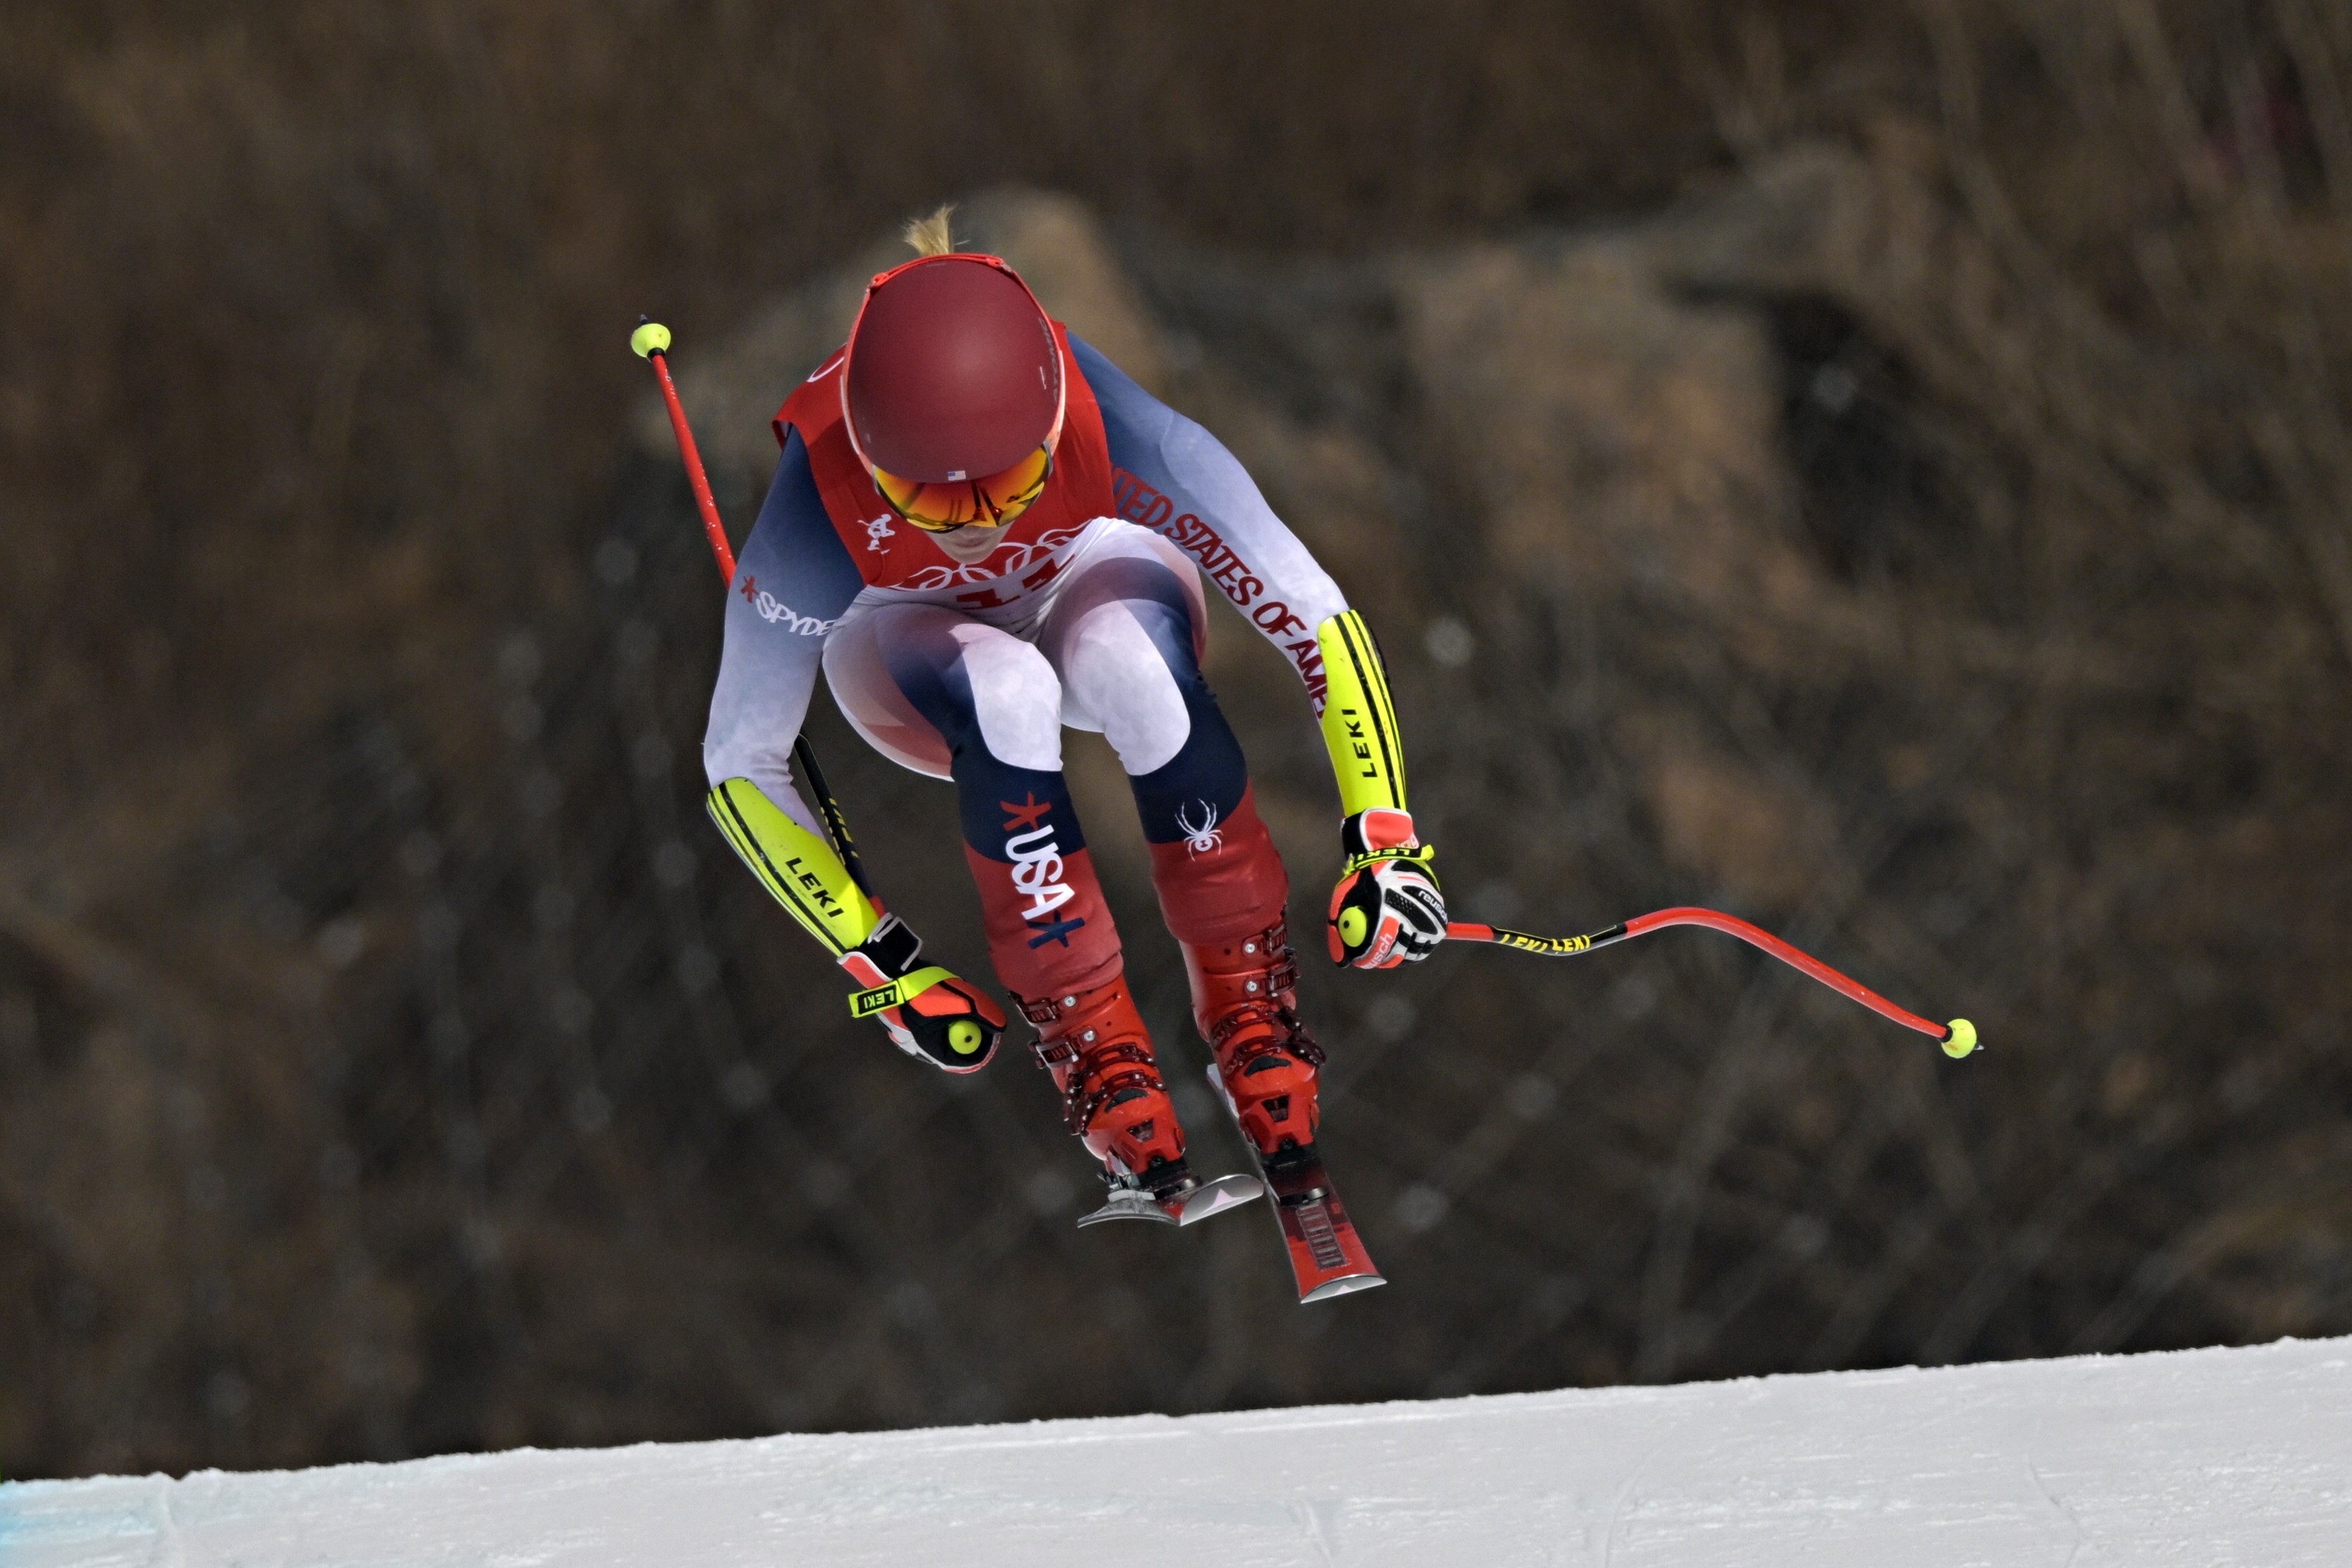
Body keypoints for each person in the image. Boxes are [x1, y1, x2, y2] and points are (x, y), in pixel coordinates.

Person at [701, 210, 1447, 1223]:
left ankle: (1252, 1013)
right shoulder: (816, 505)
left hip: (1087, 575)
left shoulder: (1128, 434)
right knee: (1009, 689)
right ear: (873, 466)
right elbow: (741, 759)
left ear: (1054, 423)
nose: (982, 526)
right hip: (906, 645)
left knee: (1129, 666)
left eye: (1009, 484)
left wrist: (1385, 833)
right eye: (932, 502)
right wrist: (880, 960)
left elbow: (1316, 620)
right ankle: (1097, 1053)